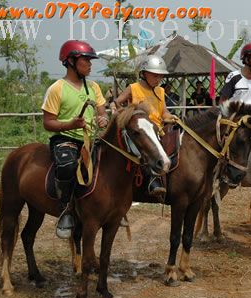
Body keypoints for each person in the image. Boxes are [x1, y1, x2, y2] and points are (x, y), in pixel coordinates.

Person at [42, 40, 108, 239]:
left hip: (90, 140)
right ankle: (65, 212)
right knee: (68, 166)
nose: (90, 64)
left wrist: (103, 118)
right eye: (85, 60)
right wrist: (70, 124)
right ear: (70, 61)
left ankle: (110, 208)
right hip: (65, 139)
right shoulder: (57, 89)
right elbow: (48, 123)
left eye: (90, 60)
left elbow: (101, 111)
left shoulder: (94, 87)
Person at [109, 54, 176, 196]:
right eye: (155, 76)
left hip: (156, 128)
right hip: (139, 128)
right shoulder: (133, 88)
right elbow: (116, 102)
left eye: (160, 77)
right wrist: (116, 110)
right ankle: (153, 180)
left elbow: (164, 113)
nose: (158, 80)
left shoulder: (161, 91)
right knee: (151, 148)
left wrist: (171, 117)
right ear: (144, 74)